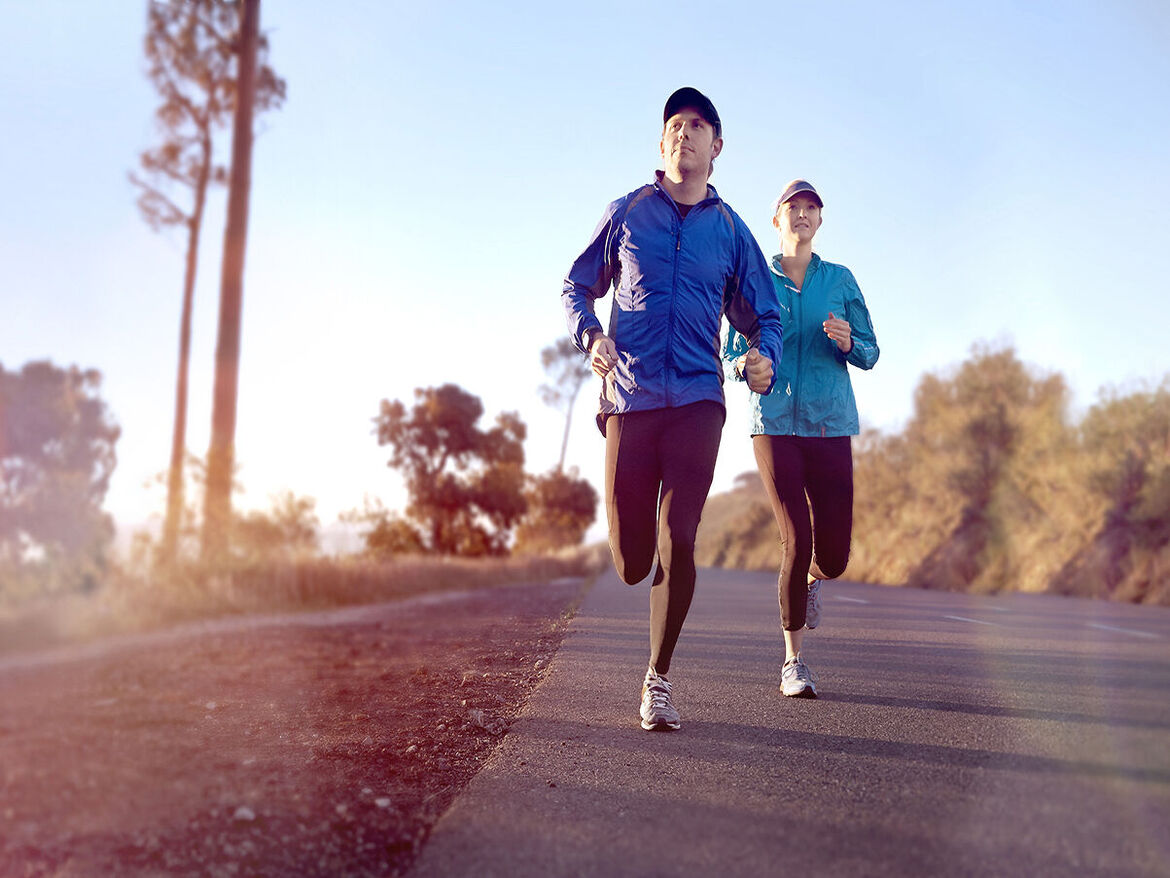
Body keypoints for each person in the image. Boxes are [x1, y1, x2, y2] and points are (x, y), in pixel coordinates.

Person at [562, 87, 782, 731]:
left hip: (696, 401)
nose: (684, 133)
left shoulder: (732, 230)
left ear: (717, 147)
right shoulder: (627, 212)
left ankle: (657, 679)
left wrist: (764, 355)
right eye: (675, 125)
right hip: (628, 399)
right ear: (663, 143)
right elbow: (578, 283)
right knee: (632, 562)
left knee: (679, 537)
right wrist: (592, 335)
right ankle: (643, 561)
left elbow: (762, 310)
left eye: (698, 126)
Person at [724, 179, 879, 698]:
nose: (803, 214)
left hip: (830, 423)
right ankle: (793, 661)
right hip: (773, 427)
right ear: (777, 219)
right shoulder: (755, 281)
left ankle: (815, 579)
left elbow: (873, 352)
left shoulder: (840, 280)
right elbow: (727, 354)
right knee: (796, 535)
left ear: (820, 220)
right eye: (794, 207)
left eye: (812, 208)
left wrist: (849, 341)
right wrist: (746, 366)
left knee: (833, 556)